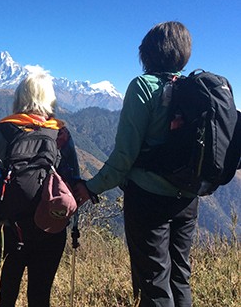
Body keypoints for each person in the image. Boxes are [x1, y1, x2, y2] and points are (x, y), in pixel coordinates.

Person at [74, 21, 198, 307]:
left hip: (148, 202)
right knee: (180, 278)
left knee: (155, 283)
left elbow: (123, 157)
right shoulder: (192, 90)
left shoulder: (143, 87)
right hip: (188, 200)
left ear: (149, 53)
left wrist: (91, 188)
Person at [0, 72, 81, 307]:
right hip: (52, 224)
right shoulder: (60, 132)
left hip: (13, 227)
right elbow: (73, 181)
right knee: (40, 295)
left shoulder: (3, 130)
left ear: (19, 97)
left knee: (6, 292)